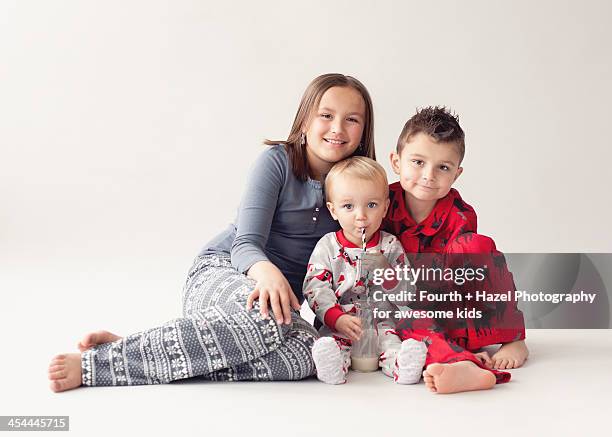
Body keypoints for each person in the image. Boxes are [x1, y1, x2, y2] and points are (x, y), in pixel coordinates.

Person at [47, 73, 377, 392]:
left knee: (313, 357)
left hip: (277, 308)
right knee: (267, 321)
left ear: (363, 131)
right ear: (305, 120)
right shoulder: (276, 162)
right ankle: (97, 366)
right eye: (326, 115)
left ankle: (149, 350)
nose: (337, 128)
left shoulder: (363, 189)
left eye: (351, 119)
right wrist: (266, 273)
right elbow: (246, 243)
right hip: (227, 270)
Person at [383, 106, 529, 394]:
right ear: (396, 162)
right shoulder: (382, 203)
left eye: (443, 167)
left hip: (451, 303)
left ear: (457, 174)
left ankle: (512, 337)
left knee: (476, 246)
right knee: (409, 327)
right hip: (407, 308)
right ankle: (465, 365)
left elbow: (469, 279)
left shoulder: (460, 215)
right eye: (418, 162)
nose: (429, 175)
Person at [303, 157, 427, 385]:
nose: (361, 216)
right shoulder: (328, 246)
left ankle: (404, 366)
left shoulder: (390, 245)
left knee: (392, 344)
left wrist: (386, 270)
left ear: (385, 208)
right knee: (330, 344)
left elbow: (409, 292)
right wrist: (335, 318)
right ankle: (332, 368)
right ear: (333, 210)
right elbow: (315, 286)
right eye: (348, 206)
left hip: (383, 323)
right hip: (340, 323)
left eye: (371, 205)